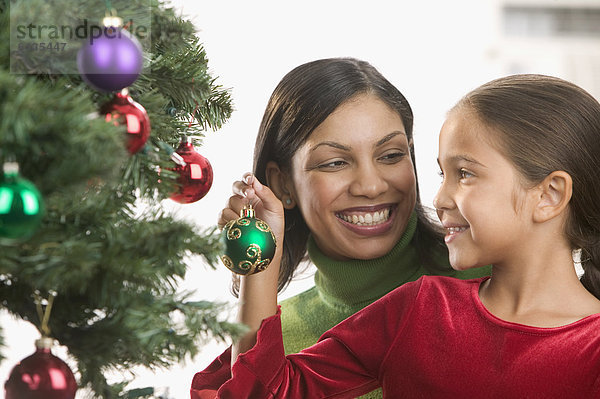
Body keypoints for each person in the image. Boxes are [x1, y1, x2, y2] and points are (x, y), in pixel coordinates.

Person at [191, 74, 600, 398]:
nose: (437, 197)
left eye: (465, 174)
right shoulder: (419, 309)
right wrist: (258, 259)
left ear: (549, 195)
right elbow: (261, 392)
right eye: (442, 173)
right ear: (283, 183)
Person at [193, 58, 489, 399]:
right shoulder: (275, 340)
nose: (371, 186)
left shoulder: (490, 285)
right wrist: (257, 270)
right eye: (335, 162)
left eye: (391, 155)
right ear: (283, 184)